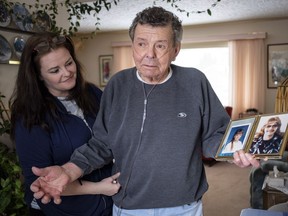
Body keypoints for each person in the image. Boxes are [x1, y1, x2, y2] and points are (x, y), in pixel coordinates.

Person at [29, 7, 260, 216]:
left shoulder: (194, 81)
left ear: (175, 50)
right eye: (141, 43)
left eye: (160, 45)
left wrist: (233, 151)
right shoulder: (117, 85)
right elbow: (102, 144)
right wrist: (69, 171)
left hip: (183, 206)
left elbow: (214, 134)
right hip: (129, 206)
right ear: (132, 46)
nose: (149, 54)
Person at [9, 32, 120, 216]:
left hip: (107, 205)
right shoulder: (29, 116)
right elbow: (42, 184)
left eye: (69, 63)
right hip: (66, 210)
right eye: (55, 70)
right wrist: (99, 188)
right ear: (38, 76)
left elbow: (110, 138)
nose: (67, 73)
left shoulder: (92, 93)